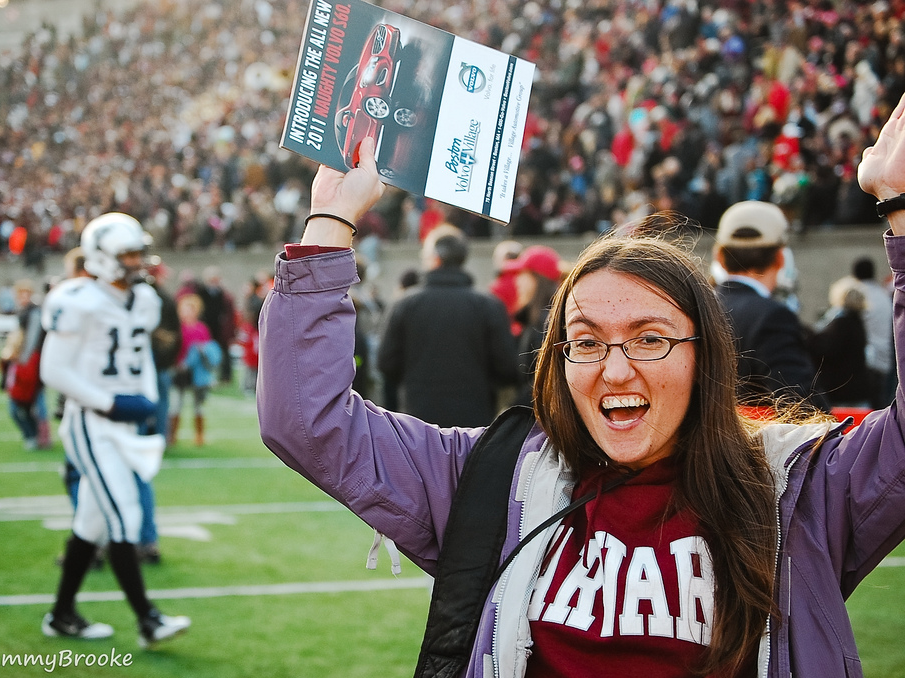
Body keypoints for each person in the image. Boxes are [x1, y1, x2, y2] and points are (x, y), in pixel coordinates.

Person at [258, 117, 905, 676]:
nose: (614, 371)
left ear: (703, 355)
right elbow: (306, 421)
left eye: (649, 338)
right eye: (586, 342)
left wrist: (900, 207)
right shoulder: (492, 479)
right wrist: (331, 217)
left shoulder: (799, 490)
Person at [40, 212, 190, 646]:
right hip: (91, 423)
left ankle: (61, 614)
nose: (136, 260)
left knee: (92, 524)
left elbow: (140, 356)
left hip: (123, 423)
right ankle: (149, 620)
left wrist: (144, 399)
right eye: (126, 253)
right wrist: (111, 402)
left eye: (137, 251)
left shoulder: (142, 300)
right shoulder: (78, 298)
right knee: (125, 516)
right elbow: (53, 369)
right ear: (101, 257)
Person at [376, 223, 519, 427]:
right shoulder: (488, 306)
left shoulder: (405, 304)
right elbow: (506, 367)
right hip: (474, 423)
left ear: (435, 258)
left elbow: (386, 363)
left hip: (417, 424)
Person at [712, 200, 831, 411]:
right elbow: (802, 406)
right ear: (780, 258)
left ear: (719, 257)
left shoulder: (695, 308)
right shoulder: (773, 316)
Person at [501, 245, 565, 407]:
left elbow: (542, 384)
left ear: (538, 279)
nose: (517, 281)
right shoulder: (533, 321)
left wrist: (513, 411)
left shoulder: (546, 325)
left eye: (522, 275)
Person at [806, 277, 872, 407]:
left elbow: (823, 348)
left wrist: (807, 333)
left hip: (840, 393)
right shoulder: (858, 323)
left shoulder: (841, 324)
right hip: (858, 391)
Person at [2, 278, 51, 450]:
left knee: (36, 401)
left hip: (33, 363)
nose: (23, 297)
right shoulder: (25, 312)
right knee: (31, 401)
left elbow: (31, 341)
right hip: (29, 362)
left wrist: (23, 359)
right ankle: (37, 435)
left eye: (26, 294)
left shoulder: (34, 312)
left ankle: (42, 436)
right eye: (20, 294)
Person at [171, 293, 221, 446]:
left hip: (198, 373)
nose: (187, 312)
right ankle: (172, 435)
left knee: (198, 405)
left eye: (190, 309)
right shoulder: (177, 328)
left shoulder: (201, 329)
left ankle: (199, 435)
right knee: (176, 404)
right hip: (180, 371)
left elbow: (208, 350)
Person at [851, 256, 895, 409]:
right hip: (885, 360)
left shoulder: (857, 295)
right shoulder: (884, 295)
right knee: (882, 407)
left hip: (865, 362)